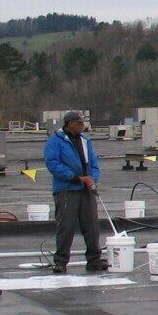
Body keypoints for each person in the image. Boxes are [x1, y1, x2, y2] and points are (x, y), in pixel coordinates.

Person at [43, 111, 107, 273]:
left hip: (86, 190)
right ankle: (61, 261)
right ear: (70, 123)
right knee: (66, 226)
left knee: (91, 225)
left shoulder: (86, 141)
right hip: (66, 190)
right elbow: (53, 164)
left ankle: (94, 259)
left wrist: (93, 179)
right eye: (79, 123)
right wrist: (76, 178)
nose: (82, 125)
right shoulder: (55, 141)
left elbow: (93, 162)